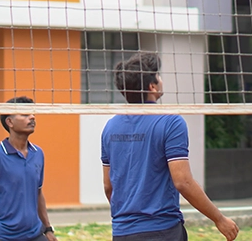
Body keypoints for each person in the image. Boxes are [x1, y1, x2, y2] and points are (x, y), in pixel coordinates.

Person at [101, 52, 238, 241]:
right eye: (158, 75)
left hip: (123, 232)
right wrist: (219, 219)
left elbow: (108, 187)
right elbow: (183, 181)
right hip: (162, 231)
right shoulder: (171, 122)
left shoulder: (110, 127)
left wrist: (130, 218)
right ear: (152, 86)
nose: (161, 78)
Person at [0, 96, 56, 241]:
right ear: (10, 122)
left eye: (32, 113)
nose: (32, 117)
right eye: (25, 114)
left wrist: (48, 229)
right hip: (3, 237)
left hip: (35, 235)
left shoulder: (38, 153)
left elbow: (38, 192)